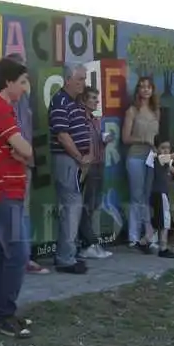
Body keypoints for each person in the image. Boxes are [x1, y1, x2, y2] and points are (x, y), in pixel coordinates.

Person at [0, 56, 35, 338]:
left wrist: (23, 154)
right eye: (22, 82)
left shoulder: (0, 108)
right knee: (18, 253)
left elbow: (24, 152)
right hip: (1, 191)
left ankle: (1, 312)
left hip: (3, 190)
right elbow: (26, 149)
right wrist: (24, 154)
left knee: (5, 254)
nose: (25, 88)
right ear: (7, 82)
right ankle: (4, 314)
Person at [48, 65, 92, 274]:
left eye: (84, 78)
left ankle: (68, 254)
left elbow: (83, 131)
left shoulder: (75, 103)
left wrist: (87, 156)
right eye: (80, 79)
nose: (83, 83)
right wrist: (79, 158)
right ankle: (65, 259)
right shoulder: (60, 101)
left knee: (73, 207)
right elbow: (62, 135)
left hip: (76, 161)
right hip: (67, 160)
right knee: (70, 208)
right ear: (68, 79)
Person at [122, 77, 161, 249]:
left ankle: (148, 233)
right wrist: (143, 140)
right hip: (136, 156)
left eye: (149, 87)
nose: (146, 90)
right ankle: (133, 236)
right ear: (138, 90)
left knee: (147, 196)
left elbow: (158, 137)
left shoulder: (156, 111)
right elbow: (125, 138)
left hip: (151, 157)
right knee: (136, 196)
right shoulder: (132, 111)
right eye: (142, 87)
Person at [76, 86, 114, 260]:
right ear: (83, 100)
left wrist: (105, 140)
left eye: (96, 98)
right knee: (86, 205)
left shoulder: (95, 120)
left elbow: (97, 141)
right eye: (92, 98)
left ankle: (89, 243)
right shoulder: (79, 119)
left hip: (99, 164)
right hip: (87, 166)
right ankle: (88, 244)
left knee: (94, 204)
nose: (96, 101)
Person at [148, 137, 174, 259]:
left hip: (159, 193)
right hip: (160, 193)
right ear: (156, 149)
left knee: (158, 221)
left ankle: (144, 242)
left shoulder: (161, 161)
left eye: (168, 148)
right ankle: (163, 248)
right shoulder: (159, 158)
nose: (166, 150)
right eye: (163, 148)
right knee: (164, 222)